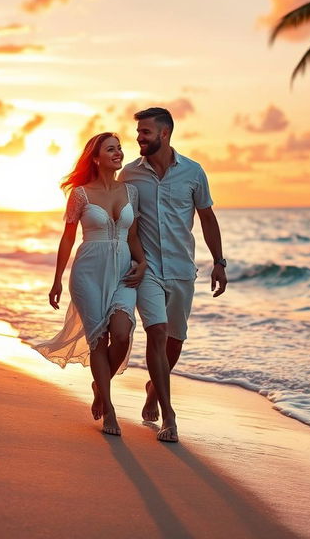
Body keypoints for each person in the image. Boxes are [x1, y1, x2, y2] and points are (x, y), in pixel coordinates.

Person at [120, 107, 227, 443]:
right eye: (138, 132)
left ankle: (154, 389)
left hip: (182, 269)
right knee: (158, 332)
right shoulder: (129, 175)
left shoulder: (193, 173)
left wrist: (219, 262)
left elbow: (207, 219)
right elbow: (124, 221)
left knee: (175, 340)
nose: (139, 138)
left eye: (145, 132)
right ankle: (170, 415)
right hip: (146, 268)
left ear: (164, 134)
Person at [35, 133, 147, 436]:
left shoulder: (131, 192)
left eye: (120, 148)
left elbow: (133, 235)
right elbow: (68, 237)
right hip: (88, 273)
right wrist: (57, 279)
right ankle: (109, 410)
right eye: (111, 149)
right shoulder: (81, 194)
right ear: (95, 158)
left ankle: (101, 386)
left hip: (123, 271)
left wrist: (144, 262)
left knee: (121, 334)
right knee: (99, 340)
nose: (119, 153)